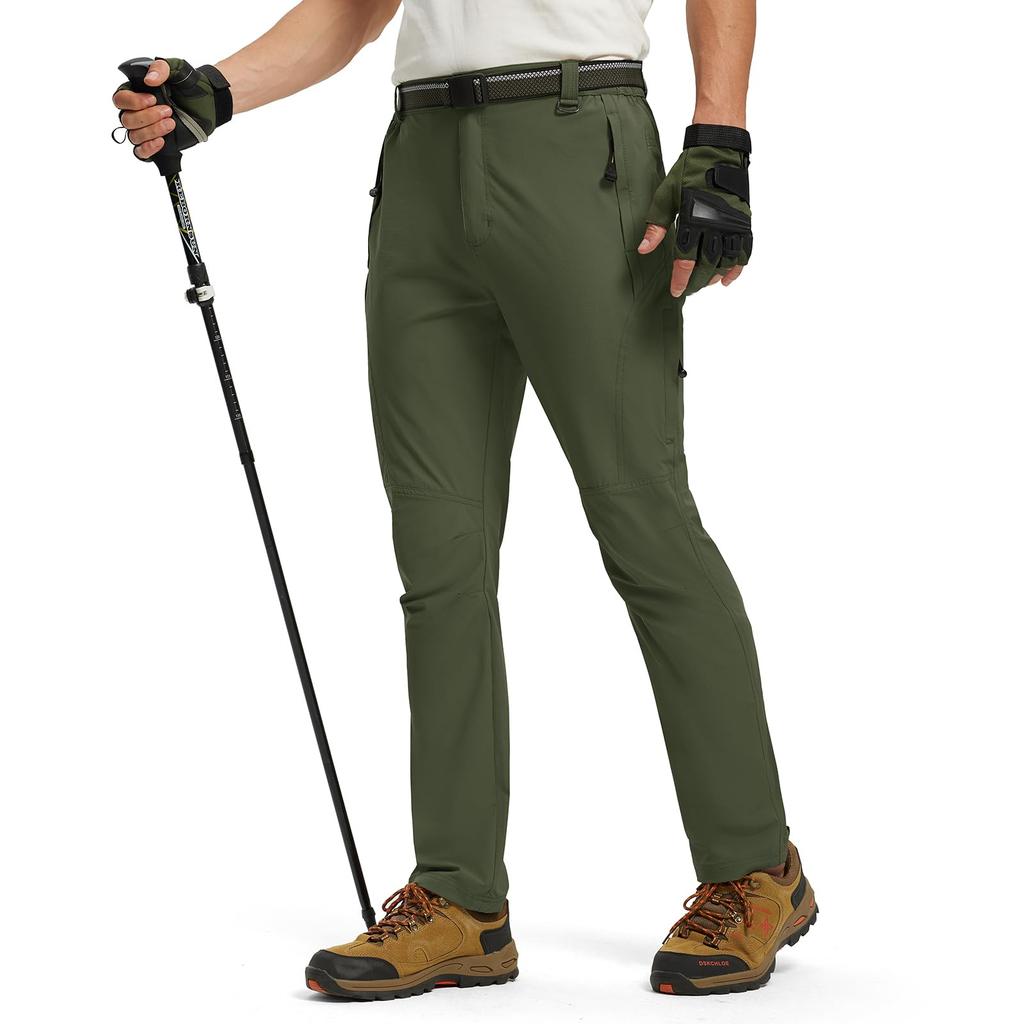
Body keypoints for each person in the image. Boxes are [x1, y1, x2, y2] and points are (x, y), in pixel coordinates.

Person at [113, 0, 816, 1000]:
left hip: (582, 147)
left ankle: (755, 869)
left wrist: (720, 140)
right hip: (422, 171)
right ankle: (458, 901)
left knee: (642, 518)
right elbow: (355, 12)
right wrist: (211, 95)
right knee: (438, 555)